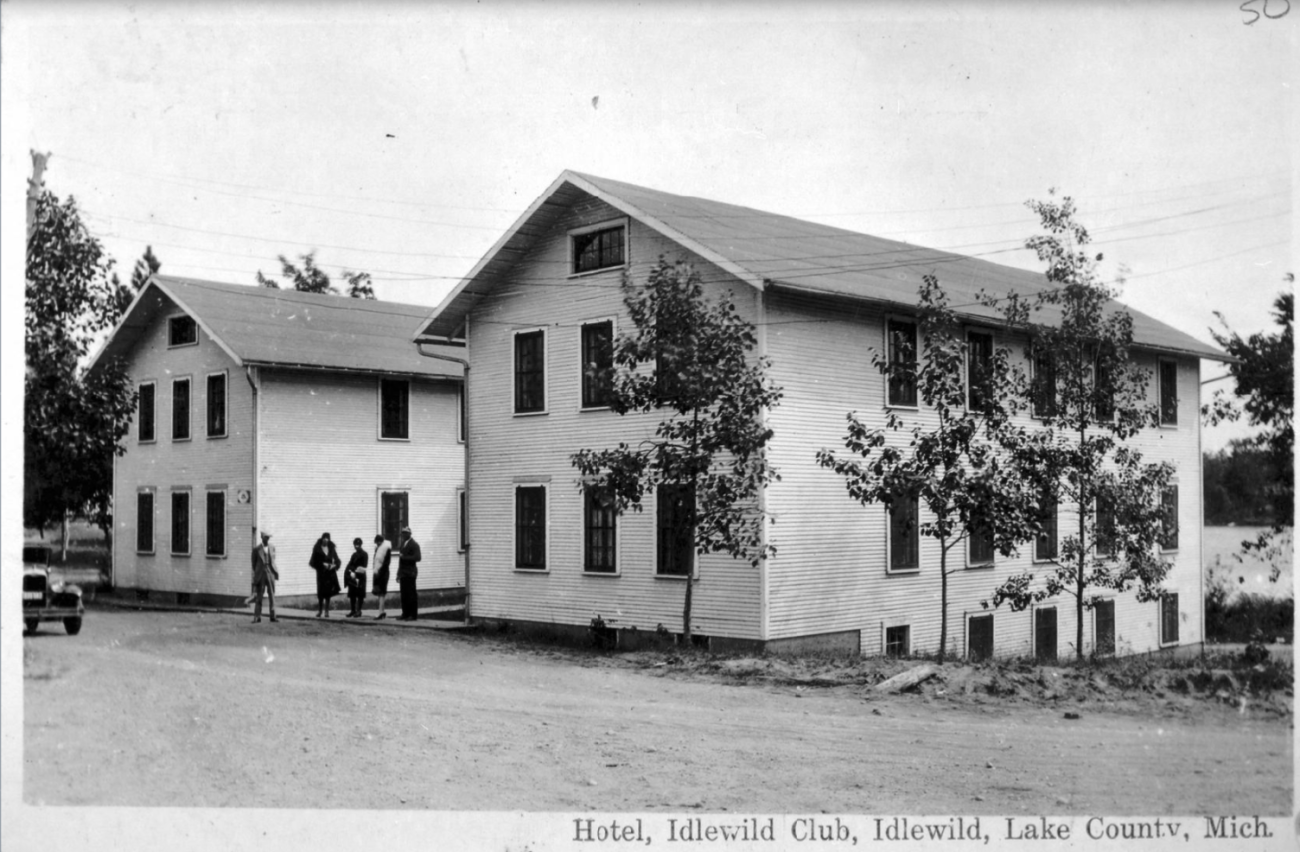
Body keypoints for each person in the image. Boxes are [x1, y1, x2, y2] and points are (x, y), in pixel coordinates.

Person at [250, 530, 279, 624]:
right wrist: (258, 572)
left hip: (270, 573)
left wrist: (273, 571)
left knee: (272, 595)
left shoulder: (272, 547)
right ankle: (257, 616)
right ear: (262, 537)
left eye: (268, 537)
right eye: (266, 537)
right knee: (259, 596)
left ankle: (273, 616)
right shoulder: (256, 549)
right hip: (261, 574)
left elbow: (273, 560)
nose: (267, 539)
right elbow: (254, 564)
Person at [309, 532, 342, 617]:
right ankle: (320, 610)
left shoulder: (331, 548)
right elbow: (312, 562)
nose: (326, 540)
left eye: (327, 539)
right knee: (321, 592)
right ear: (322, 539)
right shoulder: (317, 548)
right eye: (324, 538)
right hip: (321, 573)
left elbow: (337, 560)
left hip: (330, 573)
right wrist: (322, 565)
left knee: (328, 593)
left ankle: (326, 611)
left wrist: (334, 565)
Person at [396, 526, 421, 621]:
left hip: (410, 572)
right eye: (402, 533)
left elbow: (418, 557)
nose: (403, 535)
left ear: (409, 534)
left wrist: (405, 557)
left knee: (411, 594)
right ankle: (405, 613)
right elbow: (400, 560)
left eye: (405, 533)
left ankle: (413, 615)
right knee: (404, 594)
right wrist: (398, 573)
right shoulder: (403, 544)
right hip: (403, 572)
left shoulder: (414, 544)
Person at [343, 537, 368, 618]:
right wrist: (350, 571)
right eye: (355, 545)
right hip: (353, 577)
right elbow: (350, 564)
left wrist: (355, 572)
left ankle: (359, 611)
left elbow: (364, 566)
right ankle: (353, 610)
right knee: (352, 594)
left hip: (360, 577)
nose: (356, 546)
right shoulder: (354, 555)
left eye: (358, 545)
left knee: (360, 595)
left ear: (361, 545)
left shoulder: (364, 554)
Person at [371, 534, 392, 620]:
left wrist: (379, 571)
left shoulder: (386, 549)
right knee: (380, 592)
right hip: (378, 572)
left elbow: (387, 562)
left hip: (383, 573)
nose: (377, 544)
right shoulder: (378, 549)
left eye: (378, 542)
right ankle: (381, 611)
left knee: (382, 592)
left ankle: (381, 612)